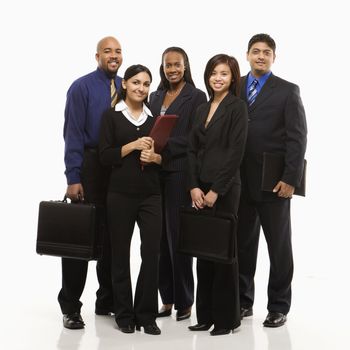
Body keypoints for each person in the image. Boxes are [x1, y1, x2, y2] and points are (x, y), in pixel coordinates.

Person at [237, 33, 307, 327]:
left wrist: (291, 178)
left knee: (278, 246)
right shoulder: (235, 85)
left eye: (267, 52)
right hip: (239, 181)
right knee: (242, 245)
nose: (261, 56)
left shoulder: (288, 91)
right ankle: (242, 302)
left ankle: (278, 306)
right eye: (256, 51)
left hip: (273, 181)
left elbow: (297, 137)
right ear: (248, 55)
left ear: (274, 57)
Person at [60, 36, 123, 329]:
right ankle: (71, 306)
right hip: (89, 165)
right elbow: (72, 132)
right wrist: (73, 176)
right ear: (97, 56)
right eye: (108, 51)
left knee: (113, 235)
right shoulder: (81, 87)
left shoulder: (127, 86)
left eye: (118, 51)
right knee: (80, 239)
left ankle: (106, 300)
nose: (114, 55)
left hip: (119, 168)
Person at [187, 54, 248, 336]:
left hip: (224, 190)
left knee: (223, 254)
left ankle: (226, 320)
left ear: (233, 77)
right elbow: (190, 150)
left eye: (224, 73)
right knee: (203, 252)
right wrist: (194, 186)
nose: (218, 78)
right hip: (201, 189)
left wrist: (215, 190)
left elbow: (235, 153)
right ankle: (206, 315)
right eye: (213, 72)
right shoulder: (202, 108)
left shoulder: (237, 108)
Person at [99, 64, 162, 335]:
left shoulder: (155, 118)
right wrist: (132, 147)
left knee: (151, 254)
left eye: (146, 84)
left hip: (151, 194)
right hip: (120, 195)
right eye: (136, 82)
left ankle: (146, 314)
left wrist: (155, 157)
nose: (141, 88)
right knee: (120, 254)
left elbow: (164, 156)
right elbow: (105, 155)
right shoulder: (111, 117)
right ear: (125, 84)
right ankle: (124, 314)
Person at [149, 47, 207, 321]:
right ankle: (167, 298)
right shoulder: (155, 96)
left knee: (177, 239)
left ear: (185, 66)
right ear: (162, 68)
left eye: (177, 65)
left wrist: (163, 146)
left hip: (177, 173)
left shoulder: (196, 97)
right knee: (158, 239)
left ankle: (185, 300)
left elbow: (194, 138)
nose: (172, 69)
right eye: (167, 65)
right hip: (153, 174)